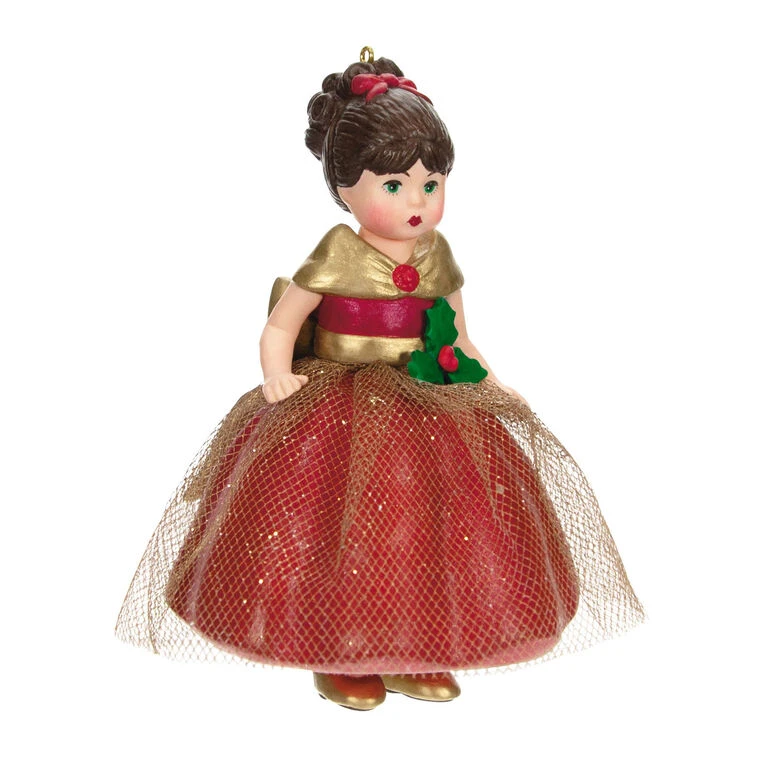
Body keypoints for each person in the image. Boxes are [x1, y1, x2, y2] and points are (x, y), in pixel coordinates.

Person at [116, 50, 644, 711]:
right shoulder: (337, 254)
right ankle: (340, 654)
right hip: (334, 400)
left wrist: (490, 382)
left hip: (426, 400)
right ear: (345, 188)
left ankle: (417, 650)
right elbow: (281, 326)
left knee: (431, 529)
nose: (417, 201)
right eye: (394, 185)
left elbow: (457, 335)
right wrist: (276, 375)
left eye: (432, 183)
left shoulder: (438, 257)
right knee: (338, 531)